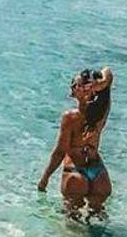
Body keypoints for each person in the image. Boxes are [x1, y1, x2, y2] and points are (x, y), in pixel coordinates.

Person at [37, 67, 113, 219]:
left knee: (72, 226)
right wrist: (102, 83)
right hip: (99, 174)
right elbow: (108, 72)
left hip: (75, 173)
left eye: (76, 85)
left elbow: (59, 152)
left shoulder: (70, 117)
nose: (73, 87)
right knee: (99, 221)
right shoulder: (102, 111)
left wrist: (45, 178)